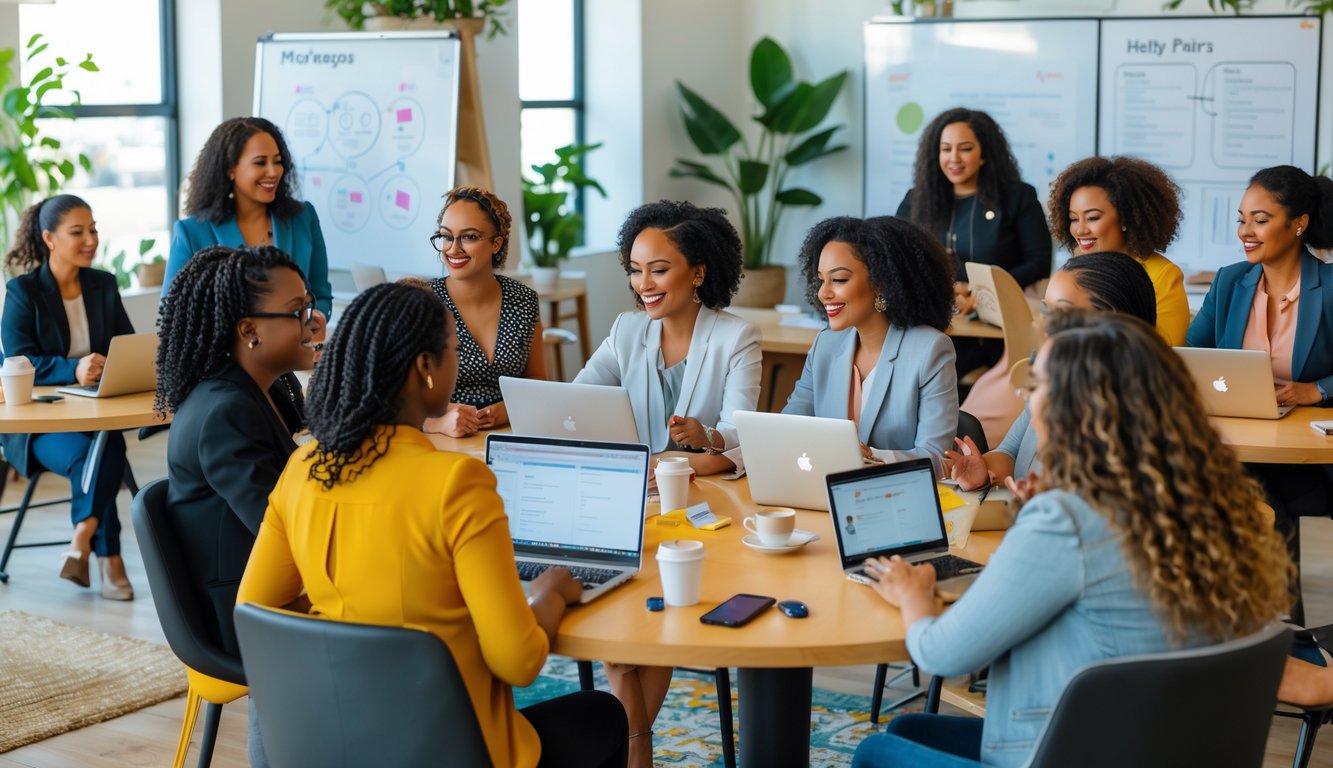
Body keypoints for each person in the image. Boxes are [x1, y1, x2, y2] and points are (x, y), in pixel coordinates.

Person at [852, 310, 1291, 768]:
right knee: (909, 730)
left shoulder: (1066, 519)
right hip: (1152, 744)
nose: (1026, 396)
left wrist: (912, 593)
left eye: (1038, 385)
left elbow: (941, 654)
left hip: (1071, 750)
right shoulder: (1197, 502)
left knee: (875, 751)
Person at [237, 283, 628, 768]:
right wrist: (551, 594)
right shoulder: (456, 482)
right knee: (604, 714)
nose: (458, 363)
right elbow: (519, 661)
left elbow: (255, 610)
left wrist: (350, 617)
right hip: (448, 749)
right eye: (455, 351)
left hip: (331, 746)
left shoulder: (303, 468)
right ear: (426, 367)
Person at [155, 244, 318, 767]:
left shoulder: (262, 392)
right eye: (297, 313)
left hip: (259, 588)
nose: (312, 322)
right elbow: (284, 531)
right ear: (250, 330)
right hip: (241, 614)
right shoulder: (227, 411)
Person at [1187, 164, 1333, 624]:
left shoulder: (1328, 287)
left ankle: (1278, 636)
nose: (1245, 232)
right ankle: (1290, 639)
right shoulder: (1231, 281)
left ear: (1299, 223)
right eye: (1241, 218)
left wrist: (1318, 389)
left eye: (1260, 219)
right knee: (1259, 507)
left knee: (1266, 508)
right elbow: (1190, 354)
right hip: (1233, 443)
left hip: (1302, 454)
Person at [1, 195, 134, 600]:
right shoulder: (23, 292)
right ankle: (108, 558)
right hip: (41, 425)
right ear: (49, 238)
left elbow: (125, 345)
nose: (90, 239)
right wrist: (71, 368)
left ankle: (81, 541)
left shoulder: (103, 284)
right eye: (78, 232)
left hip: (93, 412)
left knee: (104, 439)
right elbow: (18, 361)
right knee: (98, 453)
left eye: (93, 229)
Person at [944, 251, 1158, 494]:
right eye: (1045, 311)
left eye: (1060, 313)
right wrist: (983, 471)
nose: (1042, 324)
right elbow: (1011, 452)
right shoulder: (1050, 380)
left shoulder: (1129, 419)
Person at [574, 200, 759, 478]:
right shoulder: (626, 329)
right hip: (633, 484)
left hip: (702, 490)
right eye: (635, 270)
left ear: (698, 273)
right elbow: (576, 398)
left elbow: (737, 437)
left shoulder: (737, 338)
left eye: (658, 270)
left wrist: (707, 436)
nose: (643, 284)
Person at [783, 215, 958, 470]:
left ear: (881, 283)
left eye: (839, 279)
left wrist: (871, 456)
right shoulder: (825, 345)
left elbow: (938, 458)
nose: (823, 292)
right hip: (822, 493)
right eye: (821, 279)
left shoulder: (930, 350)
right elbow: (787, 427)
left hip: (893, 497)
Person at [896, 107, 1051, 377]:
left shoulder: (1018, 197)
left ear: (984, 154)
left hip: (996, 327)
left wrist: (982, 292)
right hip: (933, 321)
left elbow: (1038, 262)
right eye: (945, 149)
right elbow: (897, 257)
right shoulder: (916, 199)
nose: (954, 158)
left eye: (965, 148)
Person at [164, 117, 332, 317]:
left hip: (295, 346)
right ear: (230, 169)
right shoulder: (192, 233)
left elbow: (320, 296)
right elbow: (171, 313)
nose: (273, 172)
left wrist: (314, 319)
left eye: (278, 162)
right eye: (260, 162)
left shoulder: (304, 218)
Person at [422, 186, 545, 438]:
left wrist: (510, 409)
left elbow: (537, 379)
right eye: (446, 236)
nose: (453, 249)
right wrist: (439, 422)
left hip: (511, 437)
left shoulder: (523, 300)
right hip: (439, 440)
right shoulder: (423, 302)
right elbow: (393, 396)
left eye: (468, 237)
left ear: (496, 243)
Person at [1047, 155, 1190, 345]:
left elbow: (1164, 353)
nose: (1080, 230)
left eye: (1093, 218)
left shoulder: (1163, 276)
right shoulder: (1071, 271)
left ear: (1125, 218)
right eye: (1074, 219)